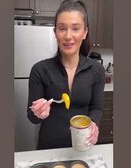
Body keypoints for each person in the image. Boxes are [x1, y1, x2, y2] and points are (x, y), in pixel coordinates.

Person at [27, 0, 105, 150]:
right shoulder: (39, 70)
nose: (68, 36)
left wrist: (94, 123)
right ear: (55, 32)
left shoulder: (97, 70)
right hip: (49, 148)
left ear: (85, 32)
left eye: (75, 28)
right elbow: (32, 118)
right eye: (62, 28)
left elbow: (96, 108)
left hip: (83, 146)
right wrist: (37, 112)